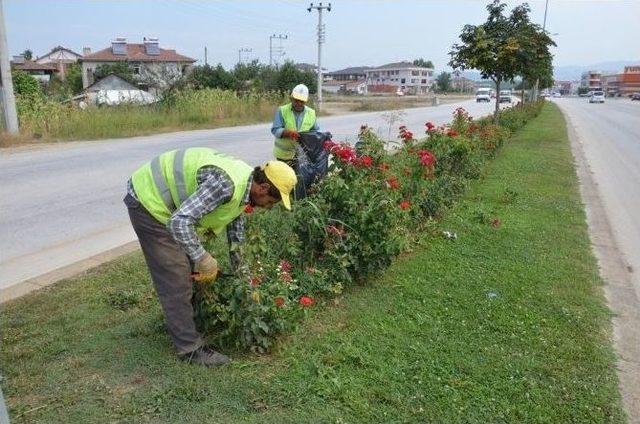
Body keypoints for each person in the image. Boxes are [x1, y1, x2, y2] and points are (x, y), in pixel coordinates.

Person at [124, 147, 296, 367]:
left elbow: (236, 238)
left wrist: (245, 281)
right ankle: (190, 349)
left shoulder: (244, 189)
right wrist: (203, 258)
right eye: (272, 202)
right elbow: (179, 223)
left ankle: (186, 323)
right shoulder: (228, 184)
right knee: (176, 277)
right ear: (263, 188)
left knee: (187, 267)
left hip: (170, 208)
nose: (269, 208)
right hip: (148, 200)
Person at [271, 83, 320, 169]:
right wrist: (288, 133)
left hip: (302, 155)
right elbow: (275, 130)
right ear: (292, 98)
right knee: (286, 180)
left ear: (306, 101)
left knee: (299, 180)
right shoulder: (282, 110)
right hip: (284, 156)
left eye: (301, 101)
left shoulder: (311, 113)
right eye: (296, 100)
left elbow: (315, 132)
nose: (298, 103)